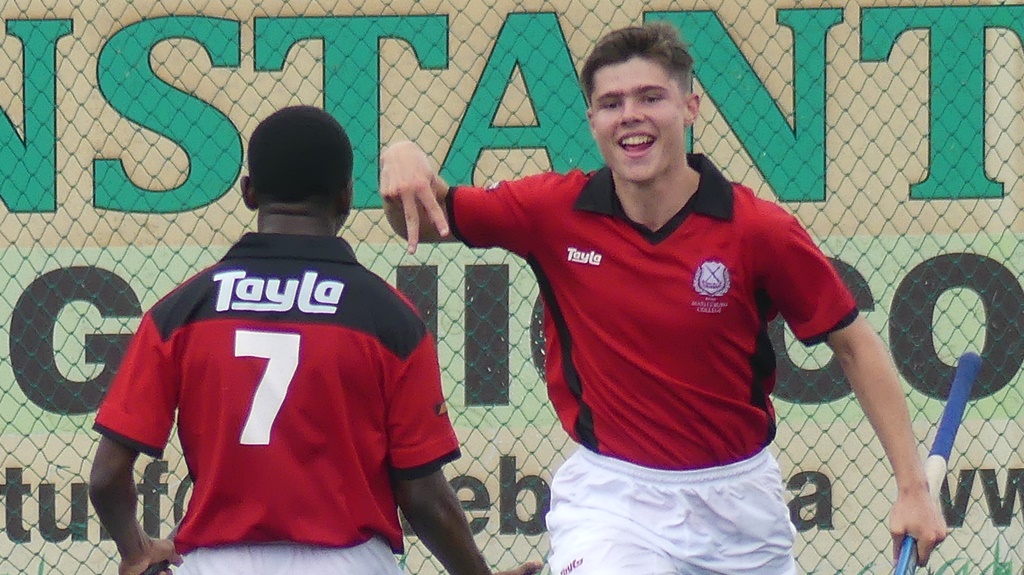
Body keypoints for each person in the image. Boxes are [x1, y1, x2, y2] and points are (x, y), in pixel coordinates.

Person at [378, 22, 948, 575]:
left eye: (651, 97)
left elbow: (854, 345)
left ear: (690, 107)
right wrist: (403, 156)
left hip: (740, 505)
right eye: (611, 103)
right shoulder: (551, 211)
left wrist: (913, 490)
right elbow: (428, 216)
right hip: (614, 499)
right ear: (593, 119)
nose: (631, 115)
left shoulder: (759, 230)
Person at [89, 105, 542, 575]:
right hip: (351, 564)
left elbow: (106, 477)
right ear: (346, 197)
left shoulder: (180, 312)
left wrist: (137, 551)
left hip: (218, 565)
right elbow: (423, 496)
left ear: (248, 192)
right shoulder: (389, 318)